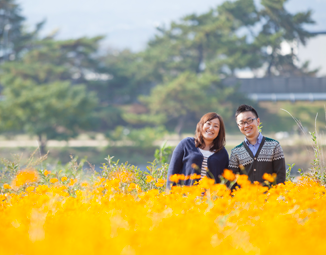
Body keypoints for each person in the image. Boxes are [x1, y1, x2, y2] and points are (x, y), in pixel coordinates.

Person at [167, 112, 229, 187]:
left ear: (219, 131)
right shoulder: (186, 144)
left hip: (210, 197)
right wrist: (170, 194)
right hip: (185, 196)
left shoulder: (222, 152)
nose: (211, 128)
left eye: (216, 126)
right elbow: (172, 171)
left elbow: (225, 180)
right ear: (201, 125)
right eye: (208, 124)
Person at [228, 104, 286, 184]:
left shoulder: (274, 146)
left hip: (270, 195)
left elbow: (280, 177)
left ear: (258, 121)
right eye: (242, 123)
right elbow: (232, 181)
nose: (246, 125)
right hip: (246, 196)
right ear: (238, 126)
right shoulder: (236, 152)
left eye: (249, 120)